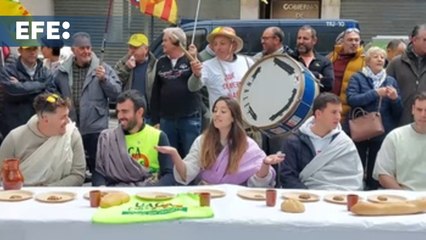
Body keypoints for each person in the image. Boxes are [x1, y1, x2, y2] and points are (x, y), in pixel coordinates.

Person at [156, 96, 284, 187]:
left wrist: (265, 164)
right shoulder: (203, 140)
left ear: (234, 117)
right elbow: (186, 174)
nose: (217, 114)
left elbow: (257, 182)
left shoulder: (247, 145)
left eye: (223, 111)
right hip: (206, 194)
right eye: (215, 111)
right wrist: (175, 154)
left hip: (235, 197)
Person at [51, 32, 122, 177]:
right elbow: (53, 91)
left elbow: (117, 93)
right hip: (70, 126)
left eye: (88, 48)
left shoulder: (103, 69)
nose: (86, 51)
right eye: (82, 48)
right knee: (71, 167)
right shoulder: (62, 71)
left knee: (98, 167)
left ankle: (97, 193)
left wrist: (105, 80)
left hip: (95, 127)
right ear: (73, 50)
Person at [279, 92, 363, 190]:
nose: (338, 117)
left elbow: (354, 176)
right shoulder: (294, 141)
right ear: (318, 114)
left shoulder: (345, 143)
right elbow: (287, 176)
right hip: (304, 198)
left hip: (339, 199)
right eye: (333, 112)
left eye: (339, 112)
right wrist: (309, 196)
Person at [346, 46, 403, 190]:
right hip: (360, 130)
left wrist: (395, 99)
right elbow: (352, 100)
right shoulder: (357, 78)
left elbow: (397, 111)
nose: (380, 59)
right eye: (375, 56)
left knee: (375, 167)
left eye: (382, 57)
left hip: (381, 131)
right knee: (356, 164)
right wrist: (375, 93)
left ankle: (372, 192)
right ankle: (356, 190)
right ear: (367, 61)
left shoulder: (390, 80)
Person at [0, 93, 85, 186]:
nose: (68, 121)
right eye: (63, 117)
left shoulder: (72, 135)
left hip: (60, 196)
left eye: (67, 115)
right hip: (21, 196)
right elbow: (1, 175)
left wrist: (46, 191)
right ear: (45, 119)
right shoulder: (15, 138)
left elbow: (78, 175)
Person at [95, 90, 175, 186]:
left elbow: (169, 175)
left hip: (149, 192)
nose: (120, 116)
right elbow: (99, 172)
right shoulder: (108, 139)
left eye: (125, 112)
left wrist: (148, 191)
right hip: (116, 193)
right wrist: (102, 189)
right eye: (118, 112)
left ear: (139, 112)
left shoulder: (158, 136)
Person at [150, 27, 201, 158]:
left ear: (176, 42)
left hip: (188, 118)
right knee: (168, 156)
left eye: (165, 40)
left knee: (191, 156)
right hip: (167, 120)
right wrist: (155, 119)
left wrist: (196, 71)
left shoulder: (192, 60)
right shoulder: (161, 62)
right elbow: (155, 92)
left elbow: (199, 86)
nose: (162, 44)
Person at [373, 92, 426, 191]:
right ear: (413, 110)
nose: (423, 114)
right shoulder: (395, 137)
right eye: (419, 110)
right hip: (403, 198)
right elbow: (383, 174)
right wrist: (406, 197)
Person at [190, 26, 253, 108]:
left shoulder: (247, 62)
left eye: (222, 43)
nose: (218, 48)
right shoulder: (207, 66)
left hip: (244, 117)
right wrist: (196, 75)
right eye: (215, 44)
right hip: (220, 118)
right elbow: (192, 87)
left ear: (233, 45)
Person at [0, 45, 53, 139]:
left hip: (40, 129)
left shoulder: (46, 72)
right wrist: (41, 85)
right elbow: (12, 92)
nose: (32, 52)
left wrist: (21, 86)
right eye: (28, 49)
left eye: (35, 49)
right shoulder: (8, 71)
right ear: (20, 50)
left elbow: (50, 98)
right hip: (14, 130)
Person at [387, 24, 426, 126]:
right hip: (400, 123)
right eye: (425, 40)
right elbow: (386, 94)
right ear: (413, 40)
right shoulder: (396, 63)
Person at [114, 33, 156, 122]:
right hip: (127, 115)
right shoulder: (122, 63)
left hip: (148, 116)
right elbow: (114, 84)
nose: (132, 51)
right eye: (130, 47)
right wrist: (127, 68)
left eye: (135, 48)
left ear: (146, 49)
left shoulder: (155, 65)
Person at [329, 28, 365, 121]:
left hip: (351, 114)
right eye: (350, 40)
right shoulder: (332, 57)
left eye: (356, 40)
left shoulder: (365, 61)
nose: (353, 43)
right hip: (330, 110)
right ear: (343, 42)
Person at [291, 25, 334, 93]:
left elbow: (329, 84)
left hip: (316, 102)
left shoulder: (324, 62)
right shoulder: (290, 59)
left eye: (305, 38)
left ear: (314, 41)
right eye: (299, 38)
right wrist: (316, 75)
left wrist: (299, 75)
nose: (301, 41)